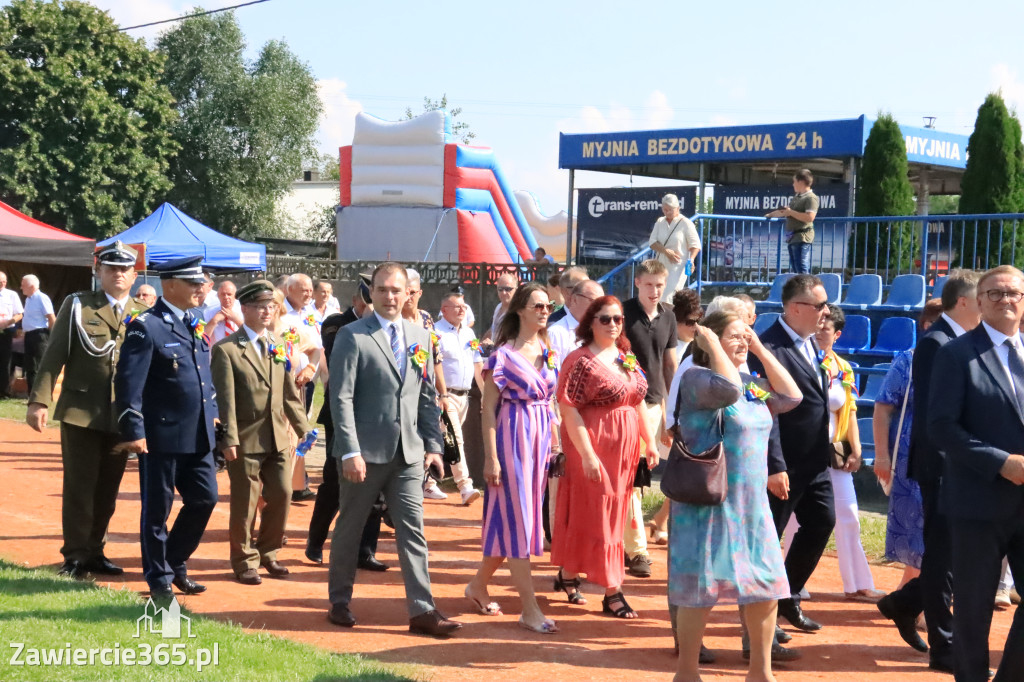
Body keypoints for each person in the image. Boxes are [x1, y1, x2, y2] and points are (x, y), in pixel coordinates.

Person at [326, 262, 461, 637]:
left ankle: (422, 611)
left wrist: (433, 446)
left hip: (408, 455)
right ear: (371, 292)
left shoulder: (419, 335)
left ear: (408, 294)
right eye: (382, 289)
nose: (389, 297)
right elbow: (341, 398)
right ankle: (339, 601)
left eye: (396, 290)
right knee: (350, 529)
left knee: (412, 531)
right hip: (363, 455)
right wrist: (350, 450)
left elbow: (426, 396)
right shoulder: (353, 335)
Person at [670, 311, 802, 682]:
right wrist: (711, 343)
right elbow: (727, 391)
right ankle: (687, 673)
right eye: (735, 335)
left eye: (747, 336)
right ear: (709, 341)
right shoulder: (697, 380)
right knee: (701, 587)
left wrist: (758, 346)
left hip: (751, 505)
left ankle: (761, 673)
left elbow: (792, 396)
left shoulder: (751, 384)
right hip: (710, 502)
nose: (743, 341)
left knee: (765, 585)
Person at [875, 270, 981, 667]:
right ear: (965, 302)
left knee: (947, 554)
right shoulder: (937, 343)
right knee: (943, 555)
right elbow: (943, 413)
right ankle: (944, 646)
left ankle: (904, 603)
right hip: (941, 464)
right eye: (982, 297)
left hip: (957, 466)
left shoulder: (960, 340)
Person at [26, 242, 147, 579]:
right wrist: (39, 401)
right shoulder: (78, 305)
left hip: (122, 415)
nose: (118, 274)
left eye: (125, 269)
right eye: (111, 268)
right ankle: (76, 555)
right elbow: (54, 355)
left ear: (135, 275)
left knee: (108, 489)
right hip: (81, 409)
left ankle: (96, 551)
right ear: (99, 272)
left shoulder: (144, 312)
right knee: (80, 486)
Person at [929, 265, 1024, 682]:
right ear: (979, 301)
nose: (1006, 299)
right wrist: (1000, 462)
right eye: (996, 293)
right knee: (973, 607)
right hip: (977, 500)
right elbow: (941, 427)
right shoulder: (956, 353)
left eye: (1014, 293)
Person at [115, 255, 219, 601]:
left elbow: (204, 376)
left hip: (199, 432)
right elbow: (129, 384)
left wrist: (214, 413)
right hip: (162, 434)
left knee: (205, 498)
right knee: (158, 510)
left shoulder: (194, 321)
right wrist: (134, 429)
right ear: (170, 285)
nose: (200, 289)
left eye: (201, 283)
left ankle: (173, 561)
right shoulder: (147, 325)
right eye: (193, 283)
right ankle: (159, 579)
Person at [551, 294, 659, 620]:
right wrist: (586, 454)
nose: (613, 325)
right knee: (600, 513)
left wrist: (649, 441)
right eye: (605, 319)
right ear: (591, 322)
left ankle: (569, 573)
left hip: (625, 450)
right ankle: (613, 590)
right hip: (593, 444)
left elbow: (637, 398)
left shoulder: (625, 356)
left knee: (612, 513)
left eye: (618, 319)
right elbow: (569, 409)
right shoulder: (580, 360)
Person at [465, 283, 559, 633]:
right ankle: (530, 608)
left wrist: (555, 443)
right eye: (537, 305)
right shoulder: (501, 355)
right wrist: (491, 458)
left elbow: (550, 402)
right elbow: (487, 410)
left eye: (547, 305)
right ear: (520, 310)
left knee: (514, 519)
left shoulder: (547, 348)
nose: (544, 310)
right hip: (512, 440)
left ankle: (477, 585)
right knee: (518, 522)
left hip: (538, 443)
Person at [747, 274, 833, 634]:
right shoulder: (768, 348)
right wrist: (774, 465)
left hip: (815, 462)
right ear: (796, 308)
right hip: (784, 465)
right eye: (820, 306)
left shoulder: (811, 343)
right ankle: (760, 621)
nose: (826, 312)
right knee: (769, 540)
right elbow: (767, 412)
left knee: (822, 521)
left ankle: (788, 596)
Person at [212, 280, 312, 585]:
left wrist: (303, 429)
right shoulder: (226, 349)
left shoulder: (278, 345)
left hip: (278, 436)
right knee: (246, 502)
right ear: (245, 309)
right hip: (245, 439)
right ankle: (244, 561)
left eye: (271, 306)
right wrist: (228, 439)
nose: (267, 311)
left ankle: (269, 552)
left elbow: (288, 394)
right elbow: (226, 400)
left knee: (282, 493)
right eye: (259, 306)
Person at [782, 304, 881, 601]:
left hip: (831, 454)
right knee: (794, 521)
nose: (819, 330)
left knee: (849, 515)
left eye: (826, 327)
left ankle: (858, 582)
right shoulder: (798, 361)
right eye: (818, 324)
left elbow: (848, 410)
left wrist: (856, 447)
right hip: (799, 452)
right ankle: (791, 582)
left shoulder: (844, 367)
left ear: (836, 334)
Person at [306, 278, 390, 572]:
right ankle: (315, 542)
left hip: (375, 417)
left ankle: (365, 550)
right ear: (358, 301)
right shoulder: (337, 323)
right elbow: (338, 356)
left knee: (375, 483)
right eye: (370, 302)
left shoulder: (389, 327)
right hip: (341, 415)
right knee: (334, 480)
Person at [871, 300, 942, 596]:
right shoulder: (908, 361)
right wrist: (883, 456)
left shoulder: (965, 359)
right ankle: (917, 600)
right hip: (911, 456)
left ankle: (907, 597)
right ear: (927, 325)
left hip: (951, 457)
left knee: (935, 530)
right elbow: (883, 409)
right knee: (918, 527)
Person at [621, 259, 678, 578]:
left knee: (640, 478)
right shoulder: (622, 313)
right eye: (649, 284)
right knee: (631, 478)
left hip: (656, 405)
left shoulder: (669, 315)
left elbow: (670, 365)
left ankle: (631, 539)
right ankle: (637, 550)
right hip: (625, 405)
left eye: (660, 285)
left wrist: (672, 410)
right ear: (638, 283)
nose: (655, 290)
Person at [654, 288, 703, 544]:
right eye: (690, 322)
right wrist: (666, 421)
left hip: (686, 419)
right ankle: (655, 523)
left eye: (699, 321)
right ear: (678, 322)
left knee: (684, 474)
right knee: (681, 475)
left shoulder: (697, 347)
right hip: (668, 417)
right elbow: (665, 388)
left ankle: (659, 520)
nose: (695, 327)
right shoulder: (671, 346)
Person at [434, 290, 482, 506]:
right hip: (446, 396)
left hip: (465, 396)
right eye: (457, 307)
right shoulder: (436, 333)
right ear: (444, 310)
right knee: (456, 440)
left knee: (444, 441)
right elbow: (435, 367)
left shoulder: (469, 334)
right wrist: (442, 394)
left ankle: (426, 480)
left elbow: (477, 364)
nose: (463, 310)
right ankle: (465, 486)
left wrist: (485, 394)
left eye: (464, 306)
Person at [648, 193, 701, 302]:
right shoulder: (660, 222)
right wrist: (666, 251)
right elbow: (652, 243)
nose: (667, 212)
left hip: (677, 266)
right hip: (660, 265)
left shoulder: (686, 223)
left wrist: (691, 260)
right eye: (664, 209)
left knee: (669, 295)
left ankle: (668, 318)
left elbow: (695, 245)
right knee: (658, 294)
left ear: (677, 208)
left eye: (670, 210)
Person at [766, 169, 819, 274]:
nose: (793, 184)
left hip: (803, 237)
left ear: (801, 182)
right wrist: (770, 215)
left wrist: (791, 212)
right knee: (795, 267)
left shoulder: (811, 198)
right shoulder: (797, 197)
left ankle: (806, 289)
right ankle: (800, 288)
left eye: (794, 181)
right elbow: (787, 212)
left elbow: (810, 217)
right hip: (793, 238)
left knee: (802, 266)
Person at [20, 274, 56, 390]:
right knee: (30, 366)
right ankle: (31, 394)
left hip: (39, 335)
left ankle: (40, 394)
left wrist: (51, 336)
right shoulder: (28, 300)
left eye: (23, 285)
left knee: (38, 365)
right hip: (29, 335)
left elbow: (51, 318)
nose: (21, 287)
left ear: (31, 286)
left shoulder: (41, 298)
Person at [0, 270, 24, 397]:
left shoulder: (12, 295)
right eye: (0, 282)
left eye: (4, 282)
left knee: (5, 361)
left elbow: (20, 314)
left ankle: (4, 391)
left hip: (6, 331)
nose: (2, 284)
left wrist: (9, 321)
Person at [482, 273, 519, 342]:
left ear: (516, 290)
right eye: (500, 289)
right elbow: (493, 330)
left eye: (508, 289)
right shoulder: (498, 307)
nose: (503, 293)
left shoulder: (518, 311)